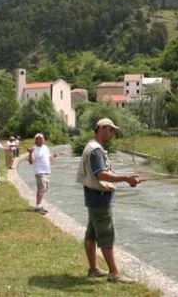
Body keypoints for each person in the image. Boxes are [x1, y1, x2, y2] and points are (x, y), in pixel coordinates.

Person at [76, 118, 141, 283]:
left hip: (93, 197)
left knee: (91, 234)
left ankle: (94, 269)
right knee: (107, 235)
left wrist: (126, 178)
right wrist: (126, 178)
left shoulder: (90, 146)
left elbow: (101, 173)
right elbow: (101, 174)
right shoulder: (96, 150)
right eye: (111, 130)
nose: (113, 134)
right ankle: (114, 273)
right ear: (102, 128)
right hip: (100, 199)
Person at [27, 133, 57, 214]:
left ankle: (39, 205)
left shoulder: (45, 147)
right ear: (36, 140)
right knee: (42, 188)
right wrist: (30, 153)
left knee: (44, 189)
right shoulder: (33, 149)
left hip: (47, 171)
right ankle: (37, 206)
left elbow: (48, 158)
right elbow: (30, 162)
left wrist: (53, 156)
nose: (43, 139)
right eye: (40, 138)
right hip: (39, 172)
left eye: (43, 138)